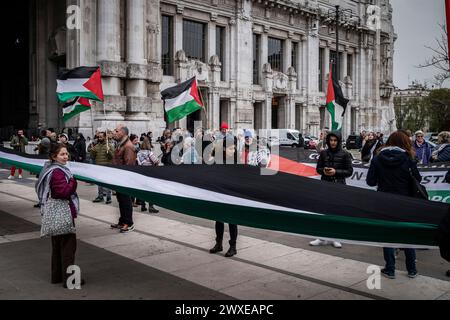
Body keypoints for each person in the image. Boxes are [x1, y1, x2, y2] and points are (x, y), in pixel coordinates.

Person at [366, 130, 421, 279]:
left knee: (387, 234)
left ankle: (390, 269)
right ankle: (412, 269)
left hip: (384, 201)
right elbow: (418, 179)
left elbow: (370, 181)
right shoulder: (408, 158)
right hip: (405, 202)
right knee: (407, 234)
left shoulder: (377, 158)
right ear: (405, 143)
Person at [35, 143, 83, 288]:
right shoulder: (57, 172)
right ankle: (70, 280)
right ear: (54, 156)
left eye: (66, 154)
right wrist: (73, 183)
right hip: (63, 212)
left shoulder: (50, 168)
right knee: (68, 247)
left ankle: (57, 276)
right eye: (62, 154)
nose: (66, 156)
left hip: (55, 213)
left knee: (57, 246)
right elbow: (62, 193)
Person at [310, 131, 354, 249]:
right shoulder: (324, 153)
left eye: (335, 140)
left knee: (336, 212)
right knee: (323, 211)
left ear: (338, 141)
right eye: (331, 140)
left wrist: (336, 172)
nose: (333, 142)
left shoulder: (345, 154)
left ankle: (336, 238)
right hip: (325, 184)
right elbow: (318, 169)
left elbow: (349, 171)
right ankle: (322, 237)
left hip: (339, 185)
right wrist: (323, 170)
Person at [209, 135, 239, 257]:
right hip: (220, 195)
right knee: (219, 219)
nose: (234, 150)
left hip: (231, 196)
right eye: (231, 148)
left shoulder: (237, 162)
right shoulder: (218, 160)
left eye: (235, 148)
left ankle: (233, 246)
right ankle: (219, 244)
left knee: (232, 221)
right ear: (225, 149)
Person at [111, 125, 137, 233]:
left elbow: (129, 164)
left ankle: (129, 223)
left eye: (116, 131)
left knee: (126, 201)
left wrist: (124, 178)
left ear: (123, 133)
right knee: (121, 200)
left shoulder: (128, 146)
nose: (114, 132)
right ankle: (122, 221)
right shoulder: (120, 144)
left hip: (124, 179)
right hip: (119, 177)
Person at [90, 131, 115, 204]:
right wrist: (92, 151)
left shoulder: (109, 145)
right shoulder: (97, 146)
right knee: (99, 183)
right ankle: (100, 196)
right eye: (99, 137)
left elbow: (113, 157)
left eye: (101, 137)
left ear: (105, 137)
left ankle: (108, 197)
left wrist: (109, 151)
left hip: (107, 167)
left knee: (107, 183)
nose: (99, 138)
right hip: (99, 167)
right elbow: (92, 157)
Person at [137, 137, 160, 213]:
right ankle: (151, 206)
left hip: (142, 172)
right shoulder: (149, 152)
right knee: (151, 190)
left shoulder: (139, 153)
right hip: (150, 172)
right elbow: (156, 161)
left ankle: (143, 205)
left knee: (143, 189)